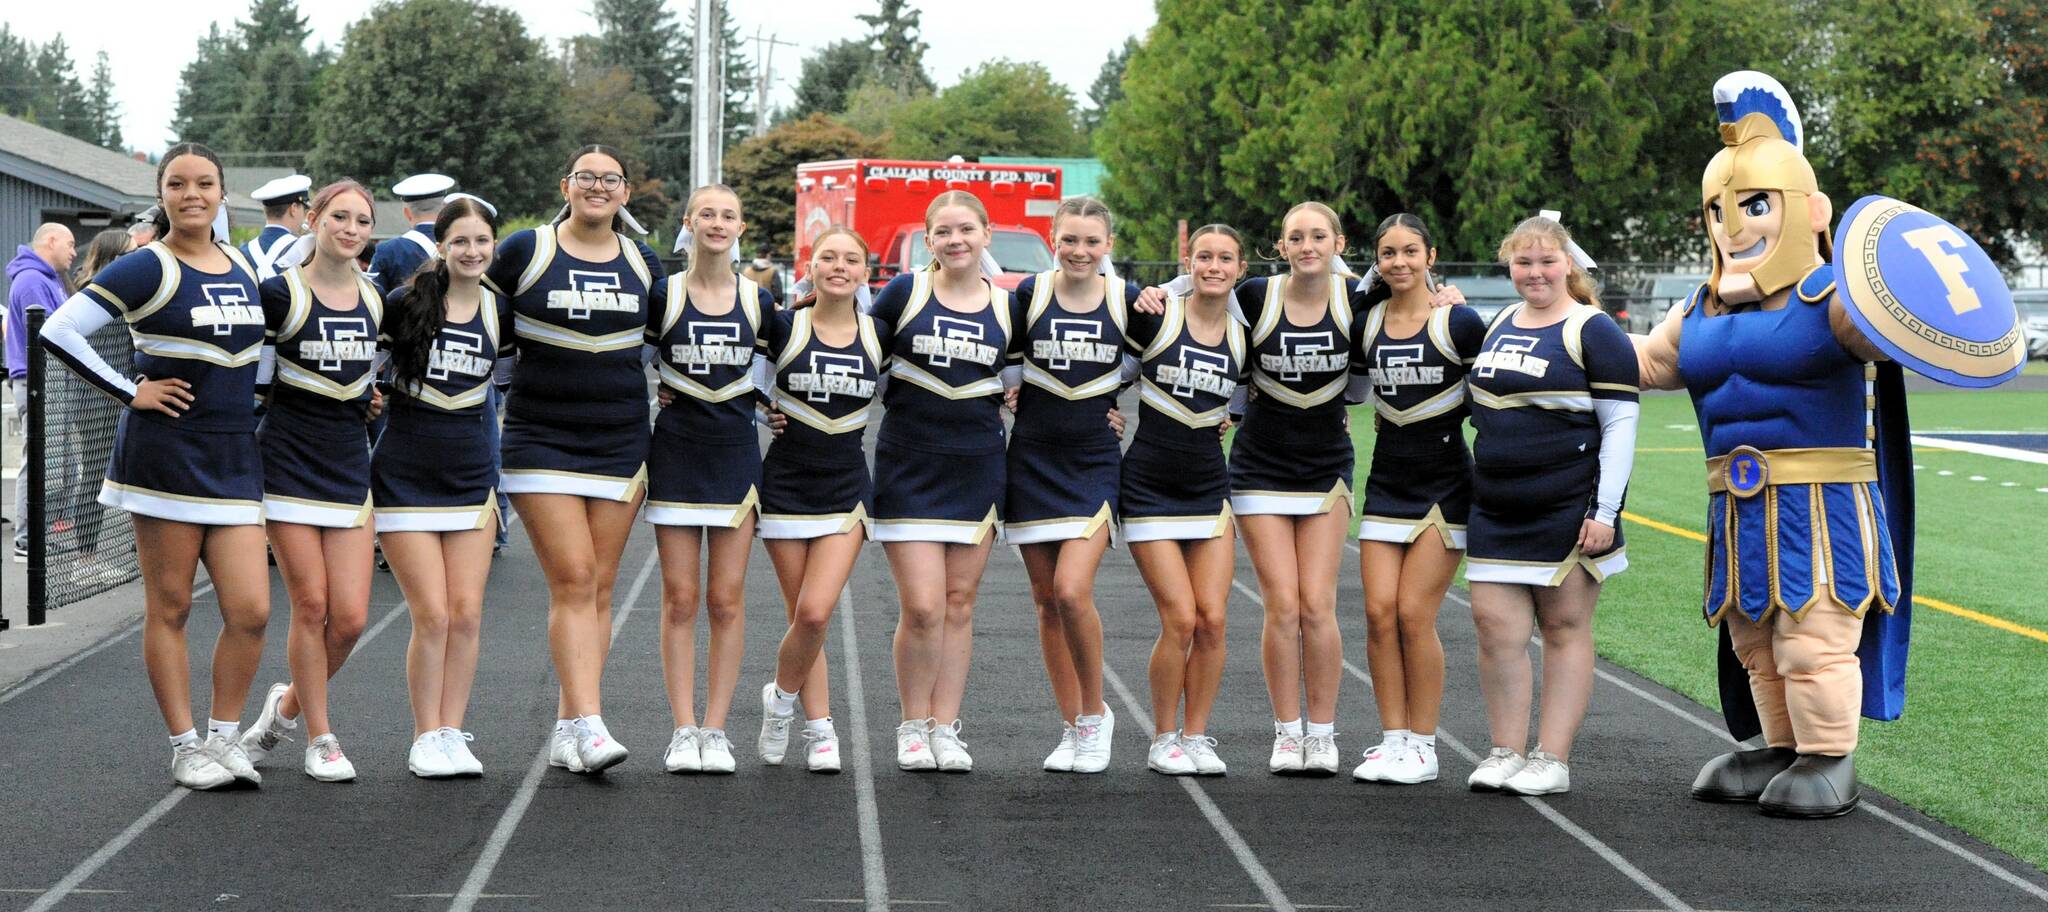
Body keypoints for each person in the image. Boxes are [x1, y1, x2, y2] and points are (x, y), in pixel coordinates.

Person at [1630, 72, 2021, 818]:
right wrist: (1564, 333)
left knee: (1812, 641)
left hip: (1824, 505)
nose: (1734, 225)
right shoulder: (1699, 308)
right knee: (1755, 644)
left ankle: (1829, 756)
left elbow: (1891, 326)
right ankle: (1781, 746)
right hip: (1737, 508)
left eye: (1752, 205)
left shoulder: (1832, 300)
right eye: (1718, 209)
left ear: (1810, 210)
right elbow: (1648, 362)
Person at [38, 143, 270, 790]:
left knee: (251, 609)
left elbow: (264, 355)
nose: (191, 193)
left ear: (224, 192)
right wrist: (129, 389)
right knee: (170, 606)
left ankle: (226, 739)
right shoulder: (146, 266)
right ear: (162, 193)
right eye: (177, 183)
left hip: (234, 457)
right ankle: (185, 745)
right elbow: (59, 330)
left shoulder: (246, 267)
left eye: (204, 182)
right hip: (164, 456)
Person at [486, 144, 664, 774]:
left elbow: (674, 334)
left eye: (610, 179)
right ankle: (590, 723)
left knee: (602, 587)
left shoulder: (643, 260)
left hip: (619, 439)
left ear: (624, 192)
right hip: (541, 439)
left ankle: (571, 723)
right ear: (565, 185)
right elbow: (474, 318)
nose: (597, 187)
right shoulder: (524, 250)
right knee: (574, 580)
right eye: (586, 177)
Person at [1463, 214, 1639, 796]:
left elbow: (1620, 425)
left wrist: (1606, 513)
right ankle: (1504, 749)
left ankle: (1552, 757)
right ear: (1509, 266)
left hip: (1568, 506)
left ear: (1568, 264)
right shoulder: (1497, 323)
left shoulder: (1594, 330)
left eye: (1545, 261)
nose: (1534, 272)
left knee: (1563, 627)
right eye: (1523, 262)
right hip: (1496, 505)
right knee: (1495, 629)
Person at [231, 180, 384, 783]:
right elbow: (256, 386)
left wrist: (369, 401)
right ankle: (320, 737)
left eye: (362, 221)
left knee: (349, 620)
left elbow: (367, 378)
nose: (350, 228)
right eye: (339, 216)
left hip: (349, 462)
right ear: (313, 219)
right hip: (289, 460)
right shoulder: (277, 294)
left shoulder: (377, 301)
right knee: (312, 604)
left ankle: (284, 706)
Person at [866, 190, 1023, 772]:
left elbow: (1052, 369)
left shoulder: (1011, 307)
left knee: (959, 604)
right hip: (911, 465)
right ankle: (912, 723)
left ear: (986, 234)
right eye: (943, 232)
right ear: (928, 240)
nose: (956, 240)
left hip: (978, 465)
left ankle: (945, 726)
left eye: (966, 229)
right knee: (925, 607)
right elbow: (849, 351)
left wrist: (1106, 409)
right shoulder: (903, 293)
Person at [371, 194, 507, 778]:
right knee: (432, 615)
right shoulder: (403, 303)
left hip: (472, 478)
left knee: (467, 614)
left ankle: (453, 729)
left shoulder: (503, 310)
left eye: (481, 241)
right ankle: (425, 734)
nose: (472, 251)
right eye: (461, 242)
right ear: (442, 247)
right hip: (405, 474)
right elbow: (360, 369)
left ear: (493, 245)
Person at [1345, 215, 1483, 785]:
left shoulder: (1459, 320)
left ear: (1431, 254)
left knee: (1412, 613)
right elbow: (1349, 389)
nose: (1399, 262)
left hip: (1445, 484)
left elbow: (1493, 402)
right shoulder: (1368, 320)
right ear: (1377, 261)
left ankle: (1423, 745)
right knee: (1377, 614)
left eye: (1409, 251)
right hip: (1387, 482)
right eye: (1388, 253)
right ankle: (1393, 738)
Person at [645, 184, 774, 775]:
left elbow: (783, 375)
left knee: (725, 600)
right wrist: (653, 388)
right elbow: (627, 362)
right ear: (689, 223)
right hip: (676, 455)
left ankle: (717, 729)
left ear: (741, 227)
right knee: (680, 599)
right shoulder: (662, 294)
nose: (717, 223)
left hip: (735, 460)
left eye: (728, 215)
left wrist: (778, 409)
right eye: (707, 214)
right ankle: (683, 727)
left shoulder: (761, 302)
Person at [752, 226, 890, 774]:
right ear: (809, 266)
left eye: (850, 259)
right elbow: (737, 380)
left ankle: (781, 702)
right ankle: (820, 726)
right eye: (827, 257)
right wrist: (761, 411)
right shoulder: (783, 327)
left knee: (816, 611)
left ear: (864, 271)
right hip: (786, 484)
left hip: (847, 488)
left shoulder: (882, 333)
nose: (839, 266)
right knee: (800, 616)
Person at [1005, 197, 1134, 774]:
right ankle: (1072, 723)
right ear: (1052, 239)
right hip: (1031, 459)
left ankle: (1096, 713)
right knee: (1045, 602)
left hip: (1092, 462)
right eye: (1069, 240)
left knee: (1072, 591)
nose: (1080, 251)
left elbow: (1200, 325)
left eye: (1092, 241)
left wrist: (1230, 406)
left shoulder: (1132, 301)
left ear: (1108, 245)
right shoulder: (1025, 297)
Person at [1121, 223, 1250, 776]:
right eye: (1204, 257)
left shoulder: (1246, 336)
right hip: (1148, 485)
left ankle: (1196, 735)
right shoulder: (1156, 315)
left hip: (1208, 486)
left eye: (1225, 258)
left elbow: (1243, 403)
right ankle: (1163, 736)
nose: (1214, 266)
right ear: (1188, 262)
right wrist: (1105, 413)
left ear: (1241, 269)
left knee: (1214, 620)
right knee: (1179, 618)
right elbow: (1106, 376)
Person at [8, 223, 76, 558]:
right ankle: (26, 540)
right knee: (37, 459)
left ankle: (35, 535)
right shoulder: (33, 279)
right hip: (37, 379)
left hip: (50, 378)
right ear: (50, 241)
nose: (74, 251)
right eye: (70, 243)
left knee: (60, 465)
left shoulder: (49, 278)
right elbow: (50, 334)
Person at [366, 173, 455, 296]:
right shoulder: (461, 245)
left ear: (407, 213)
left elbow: (372, 297)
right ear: (444, 209)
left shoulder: (388, 250)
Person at [241, 174, 310, 282]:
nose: (304, 215)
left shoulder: (242, 252)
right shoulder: (305, 250)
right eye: (303, 209)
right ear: (294, 208)